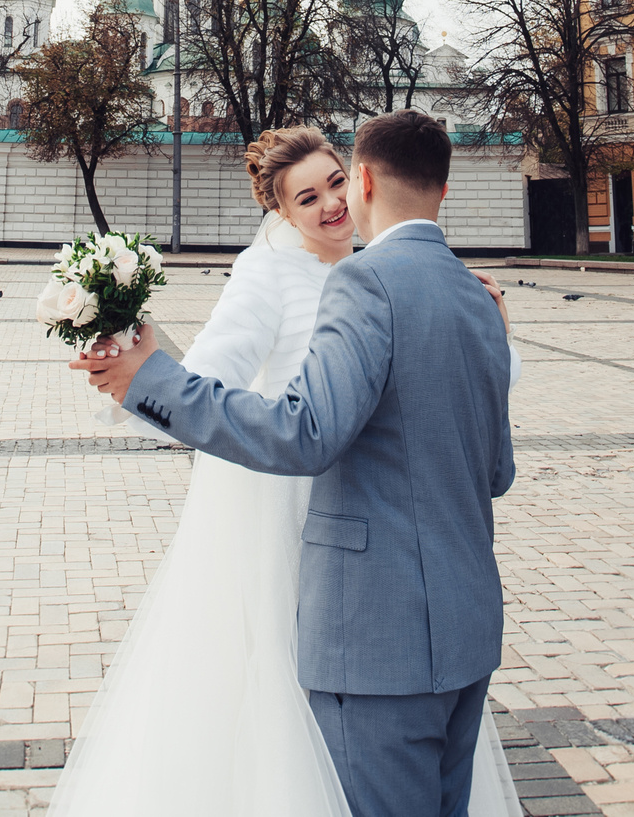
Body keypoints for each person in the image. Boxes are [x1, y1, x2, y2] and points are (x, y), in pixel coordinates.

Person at [71, 112, 519, 817]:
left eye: (336, 182)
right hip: (337, 552)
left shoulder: (381, 281)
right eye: (307, 198)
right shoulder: (438, 286)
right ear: (280, 212)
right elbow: (494, 469)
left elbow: (312, 429)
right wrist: (148, 376)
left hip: (373, 588)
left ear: (361, 178)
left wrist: (149, 381)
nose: (331, 203)